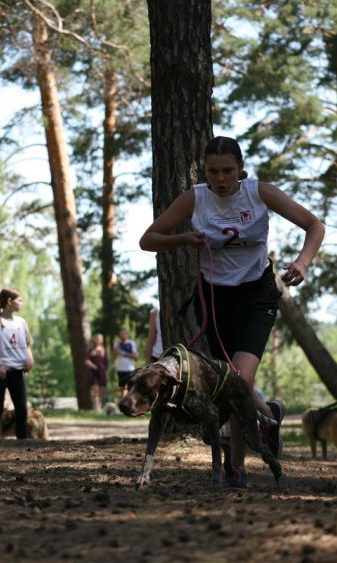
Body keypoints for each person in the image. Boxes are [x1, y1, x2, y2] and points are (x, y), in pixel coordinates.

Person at [139, 135, 325, 489]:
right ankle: (269, 415)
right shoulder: (195, 198)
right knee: (228, 385)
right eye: (213, 172)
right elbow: (148, 239)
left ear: (240, 169)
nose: (221, 178)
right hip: (214, 298)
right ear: (204, 172)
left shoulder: (259, 193)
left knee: (239, 378)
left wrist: (303, 262)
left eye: (227, 171)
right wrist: (183, 239)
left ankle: (236, 468)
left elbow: (315, 225)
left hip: (257, 295)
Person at [0, 288, 34, 439]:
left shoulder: (21, 322)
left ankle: (22, 440)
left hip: (17, 371)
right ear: (9, 302)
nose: (22, 303)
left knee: (22, 408)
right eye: (19, 300)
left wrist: (30, 360)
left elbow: (27, 345)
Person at [113, 327, 139, 399]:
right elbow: (114, 354)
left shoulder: (131, 343)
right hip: (120, 369)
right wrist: (116, 349)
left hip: (129, 369)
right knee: (122, 387)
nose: (122, 336)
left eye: (123, 334)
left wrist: (124, 354)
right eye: (120, 334)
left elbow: (136, 356)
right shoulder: (117, 344)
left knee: (129, 387)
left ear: (127, 334)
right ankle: (124, 401)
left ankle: (128, 401)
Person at [84, 333, 108, 411]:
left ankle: (100, 406)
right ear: (94, 340)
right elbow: (87, 361)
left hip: (101, 372)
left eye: (100, 338)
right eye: (97, 338)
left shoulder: (104, 350)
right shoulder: (91, 349)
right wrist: (94, 367)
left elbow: (106, 363)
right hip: (93, 372)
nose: (98, 340)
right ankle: (96, 407)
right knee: (94, 389)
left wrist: (105, 372)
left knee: (100, 390)